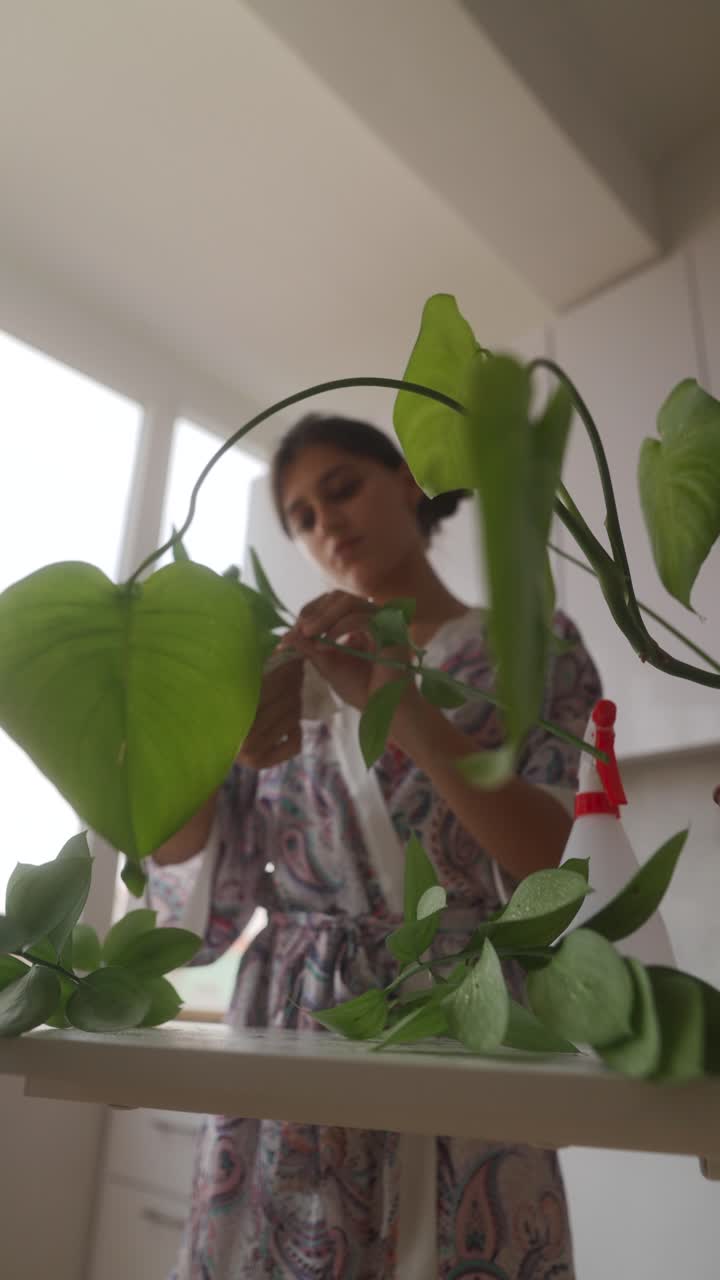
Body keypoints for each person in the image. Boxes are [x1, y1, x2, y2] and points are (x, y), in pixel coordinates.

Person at [149, 413, 602, 1280]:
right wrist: (206, 743)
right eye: (303, 518)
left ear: (406, 480)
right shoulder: (286, 678)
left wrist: (400, 702)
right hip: (293, 1033)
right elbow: (196, 910)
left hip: (465, 1023)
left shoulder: (528, 649)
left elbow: (558, 866)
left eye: (342, 488)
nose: (327, 525)